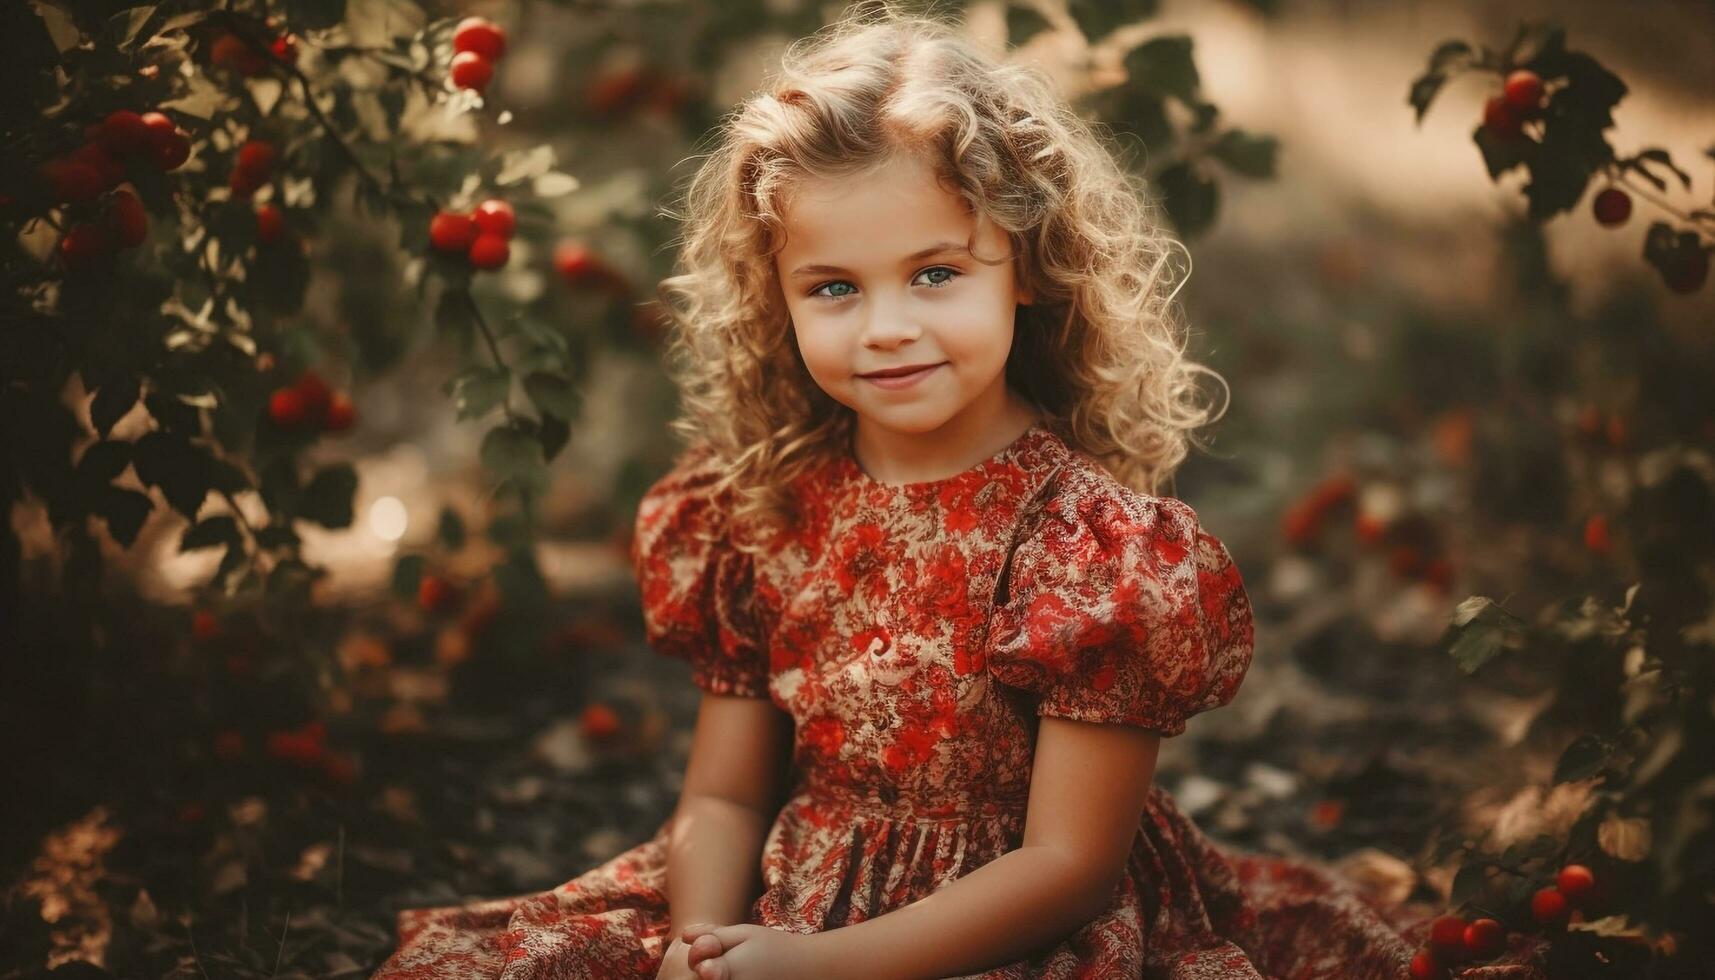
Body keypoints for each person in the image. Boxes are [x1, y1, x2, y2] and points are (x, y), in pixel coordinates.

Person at [373, 3, 1552, 978]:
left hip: (1015, 930)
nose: (887, 328)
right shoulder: (765, 509)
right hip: (781, 907)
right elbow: (725, 793)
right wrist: (704, 941)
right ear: (774, 298)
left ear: (1026, 266)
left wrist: (816, 965)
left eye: (934, 273)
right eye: (832, 287)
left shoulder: (1085, 544)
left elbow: (1068, 866)